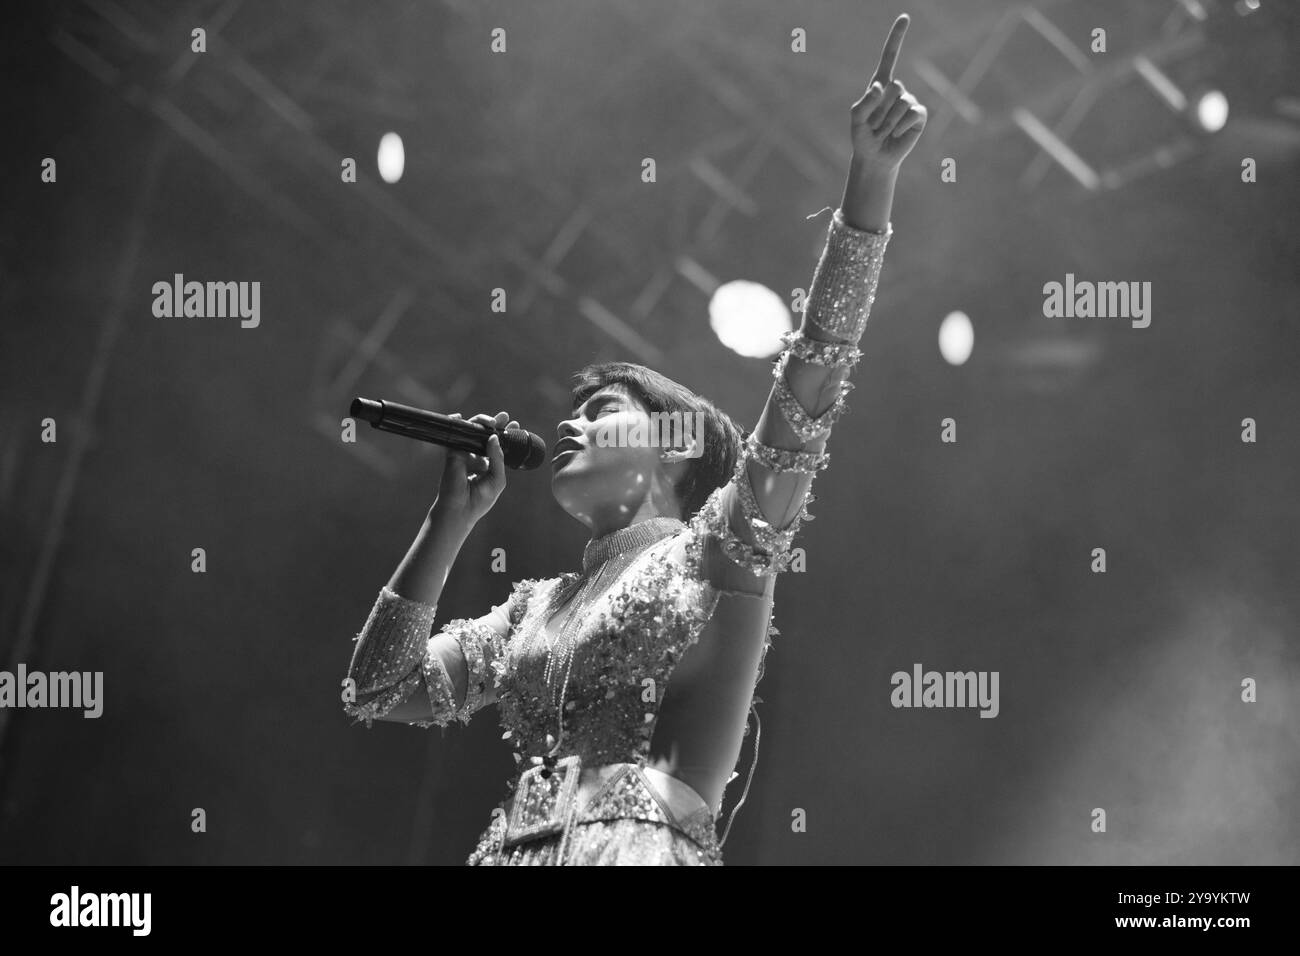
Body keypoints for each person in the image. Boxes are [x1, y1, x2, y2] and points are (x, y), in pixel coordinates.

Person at [341, 14, 927, 865]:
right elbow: (375, 687)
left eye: (605, 408)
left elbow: (812, 386)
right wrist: (450, 521)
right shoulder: (529, 611)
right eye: (573, 412)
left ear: (678, 448)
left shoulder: (719, 551)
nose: (569, 423)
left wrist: (868, 186)